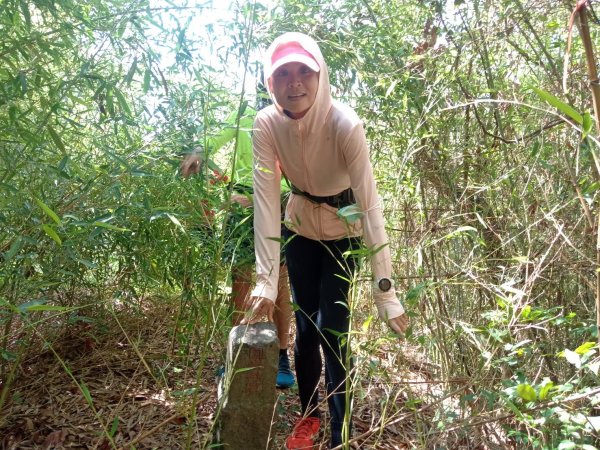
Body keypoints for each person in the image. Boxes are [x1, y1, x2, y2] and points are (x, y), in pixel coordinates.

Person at [241, 32, 409, 449]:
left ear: (321, 76)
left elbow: (370, 205)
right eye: (283, 74)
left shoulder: (344, 124)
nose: (294, 83)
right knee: (304, 327)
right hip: (300, 229)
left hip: (342, 232)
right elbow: (265, 201)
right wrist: (265, 280)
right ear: (270, 82)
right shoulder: (265, 125)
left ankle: (340, 432)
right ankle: (308, 417)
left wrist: (385, 292)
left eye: (304, 72)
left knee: (333, 329)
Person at [180, 106, 295, 388]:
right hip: (242, 198)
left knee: (278, 279)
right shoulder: (244, 115)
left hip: (281, 201)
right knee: (242, 279)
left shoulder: (293, 115)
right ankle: (236, 352)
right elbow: (213, 139)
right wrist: (197, 152)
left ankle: (281, 355)